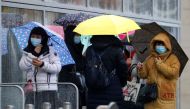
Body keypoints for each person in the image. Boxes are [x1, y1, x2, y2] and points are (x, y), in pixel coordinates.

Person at [19, 27, 62, 109]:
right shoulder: (27, 51)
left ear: (43, 38)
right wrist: (33, 53)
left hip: (48, 90)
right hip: (31, 90)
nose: (35, 39)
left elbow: (57, 68)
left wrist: (42, 64)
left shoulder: (51, 51)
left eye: (38, 37)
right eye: (33, 36)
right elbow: (22, 66)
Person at [137, 33, 180, 109]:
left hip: (165, 99)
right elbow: (143, 75)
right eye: (157, 44)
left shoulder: (173, 59)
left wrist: (160, 64)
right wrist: (140, 69)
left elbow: (173, 73)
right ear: (154, 46)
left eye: (161, 44)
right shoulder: (150, 58)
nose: (159, 46)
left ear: (166, 45)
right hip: (150, 98)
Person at [85, 35, 128, 109]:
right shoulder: (116, 49)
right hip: (113, 88)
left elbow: (87, 69)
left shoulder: (89, 49)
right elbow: (122, 69)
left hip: (94, 89)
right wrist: (122, 83)